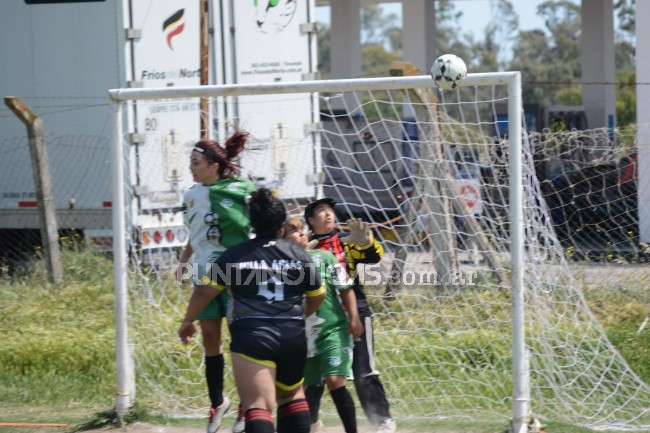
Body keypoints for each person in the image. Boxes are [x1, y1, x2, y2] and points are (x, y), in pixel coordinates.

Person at [179, 188, 326, 433]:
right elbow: (318, 294)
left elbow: (205, 292)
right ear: (282, 225)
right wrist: (302, 314)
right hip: (292, 336)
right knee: (293, 398)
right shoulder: (299, 255)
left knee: (259, 405)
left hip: (253, 336)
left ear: (252, 224)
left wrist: (188, 320)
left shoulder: (235, 255)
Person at [176, 131, 257, 433]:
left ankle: (245, 406)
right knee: (210, 339)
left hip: (238, 275)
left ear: (213, 165)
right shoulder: (190, 195)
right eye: (190, 162)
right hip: (205, 275)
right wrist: (183, 263)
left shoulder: (241, 189)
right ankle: (217, 401)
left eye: (196, 162)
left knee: (241, 342)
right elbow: (195, 235)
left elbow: (263, 222)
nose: (191, 168)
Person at [304, 198, 397, 433]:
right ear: (310, 221)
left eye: (330, 210)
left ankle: (382, 420)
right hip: (318, 317)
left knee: (363, 368)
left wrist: (367, 243)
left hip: (354, 313)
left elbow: (373, 255)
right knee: (314, 375)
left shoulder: (346, 242)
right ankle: (312, 421)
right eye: (320, 211)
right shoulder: (306, 247)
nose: (327, 214)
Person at [282, 217, 363, 433]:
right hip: (302, 337)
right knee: (310, 388)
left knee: (335, 380)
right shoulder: (280, 266)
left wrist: (354, 317)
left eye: (302, 230)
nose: (301, 234)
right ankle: (311, 425)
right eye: (293, 230)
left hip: (333, 330)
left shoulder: (324, 257)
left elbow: (346, 288)